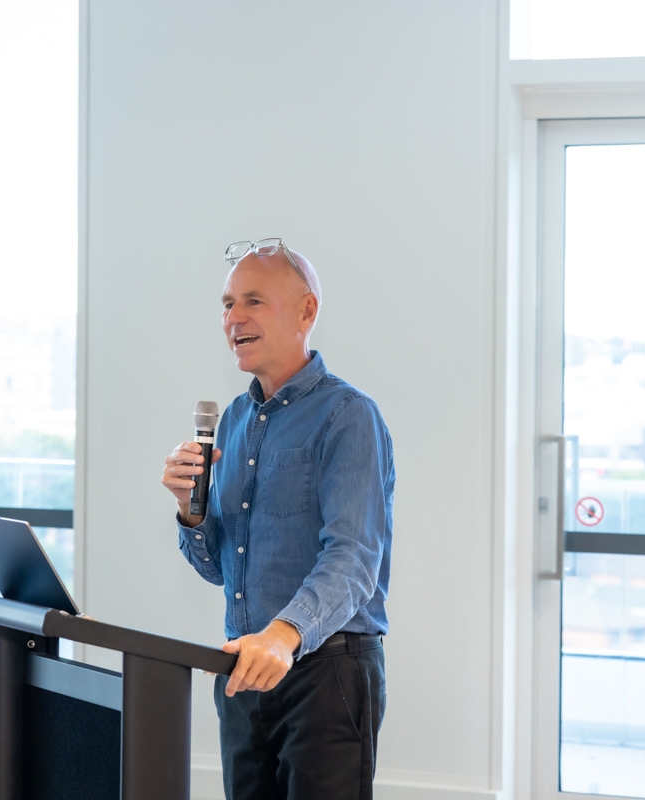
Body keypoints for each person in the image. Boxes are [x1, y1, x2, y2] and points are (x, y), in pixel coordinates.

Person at [160, 238, 394, 800]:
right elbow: (223, 568)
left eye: (254, 301)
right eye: (227, 303)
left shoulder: (347, 416)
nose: (233, 318)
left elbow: (354, 559)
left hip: (325, 673)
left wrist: (284, 637)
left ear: (306, 311)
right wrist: (189, 512)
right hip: (244, 672)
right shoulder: (235, 419)